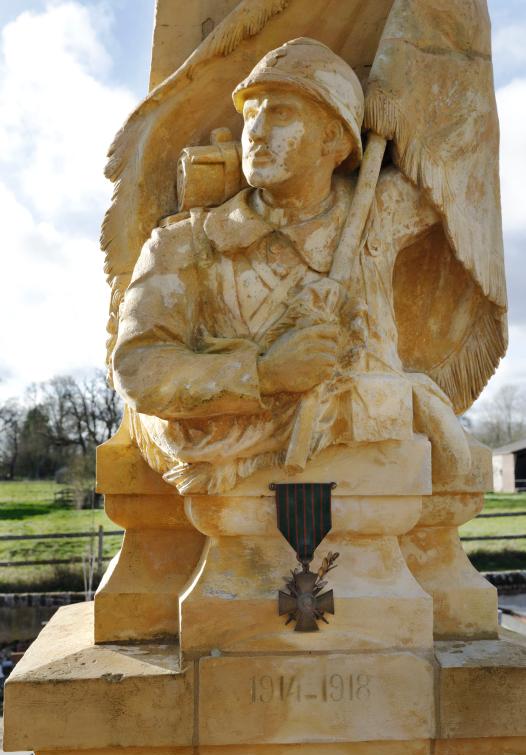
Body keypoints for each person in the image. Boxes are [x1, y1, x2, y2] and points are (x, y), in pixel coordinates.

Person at [113, 37, 470, 494]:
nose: (257, 131)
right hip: (229, 489)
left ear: (335, 139)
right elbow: (140, 368)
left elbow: (459, 149)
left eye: (281, 113)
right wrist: (264, 373)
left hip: (376, 484)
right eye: (250, 114)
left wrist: (419, 61)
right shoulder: (185, 243)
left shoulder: (375, 216)